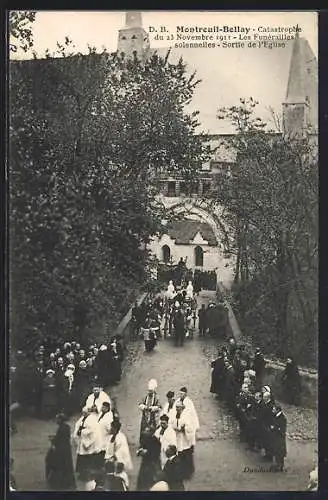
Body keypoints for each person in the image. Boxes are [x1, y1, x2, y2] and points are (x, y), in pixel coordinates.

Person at [45, 413, 76, 490]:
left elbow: (58, 439)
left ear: (60, 420)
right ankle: (68, 483)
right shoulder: (66, 427)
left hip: (60, 450)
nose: (56, 421)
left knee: (57, 466)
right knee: (67, 466)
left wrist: (52, 439)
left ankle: (59, 483)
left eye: (57, 419)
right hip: (66, 450)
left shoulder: (61, 428)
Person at [74, 407, 103, 481]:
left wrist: (82, 431)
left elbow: (92, 430)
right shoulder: (82, 418)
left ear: (88, 412)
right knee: (81, 459)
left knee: (87, 460)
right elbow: (77, 425)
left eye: (84, 412)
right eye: (82, 412)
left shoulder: (92, 419)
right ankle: (81, 473)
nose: (83, 414)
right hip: (82, 441)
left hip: (88, 442)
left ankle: (87, 475)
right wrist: (78, 430)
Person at [172, 401, 196, 480]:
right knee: (180, 455)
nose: (177, 409)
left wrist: (184, 428)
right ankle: (180, 472)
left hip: (185, 438)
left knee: (186, 455)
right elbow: (173, 423)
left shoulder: (186, 416)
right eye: (176, 407)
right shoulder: (176, 415)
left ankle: (187, 473)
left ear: (182, 408)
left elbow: (190, 427)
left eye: (178, 407)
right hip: (178, 438)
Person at [136, 426, 161, 491]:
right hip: (145, 462)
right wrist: (140, 451)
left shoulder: (156, 441)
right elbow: (141, 446)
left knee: (149, 480)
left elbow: (156, 453)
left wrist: (147, 452)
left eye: (147, 431)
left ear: (151, 432)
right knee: (142, 480)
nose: (145, 432)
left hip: (151, 464)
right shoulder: (145, 438)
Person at [138, 379, 161, 443]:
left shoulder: (156, 397)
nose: (149, 392)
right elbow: (140, 404)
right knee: (143, 430)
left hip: (152, 417)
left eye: (151, 391)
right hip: (145, 416)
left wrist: (152, 408)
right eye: (149, 391)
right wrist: (144, 407)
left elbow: (159, 407)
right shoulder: (145, 396)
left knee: (152, 430)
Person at [269, 405, 287, 471]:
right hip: (276, 437)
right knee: (277, 451)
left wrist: (274, 428)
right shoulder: (276, 416)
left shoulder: (282, 418)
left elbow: (281, 429)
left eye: (273, 409)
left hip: (279, 438)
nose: (272, 411)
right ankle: (277, 464)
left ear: (277, 410)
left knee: (280, 452)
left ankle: (280, 466)